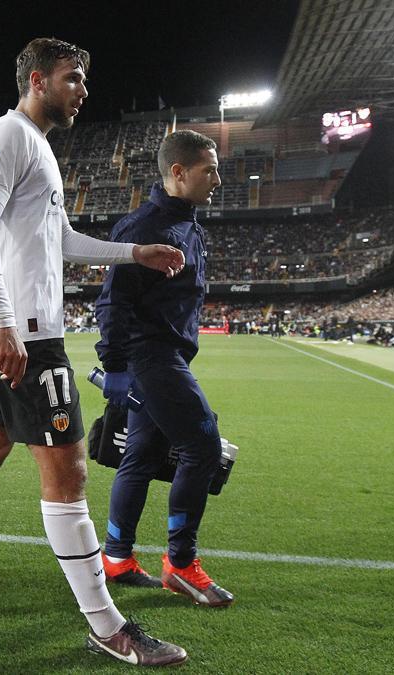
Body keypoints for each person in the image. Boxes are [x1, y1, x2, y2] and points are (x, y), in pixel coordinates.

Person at [0, 37, 188, 667]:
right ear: (36, 79)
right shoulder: (9, 135)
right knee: (69, 474)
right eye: (73, 78)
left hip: (20, 331)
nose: (83, 89)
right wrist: (5, 324)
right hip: (24, 335)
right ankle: (108, 627)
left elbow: (59, 240)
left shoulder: (40, 149)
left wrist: (134, 254)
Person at [94, 130, 233, 608]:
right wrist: (114, 365)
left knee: (142, 455)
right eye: (208, 170)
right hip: (151, 355)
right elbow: (112, 301)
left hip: (163, 355)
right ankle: (180, 563)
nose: (217, 179)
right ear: (178, 173)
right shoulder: (144, 227)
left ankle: (116, 558)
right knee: (203, 446)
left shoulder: (189, 226)